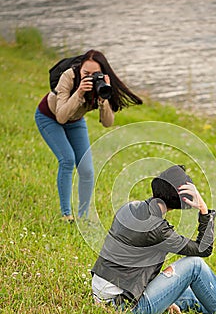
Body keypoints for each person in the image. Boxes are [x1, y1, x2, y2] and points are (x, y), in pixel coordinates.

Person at [91, 165, 216, 314]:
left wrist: (166, 301)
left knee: (191, 290)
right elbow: (203, 249)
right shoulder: (156, 228)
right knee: (194, 266)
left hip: (107, 296)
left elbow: (133, 261)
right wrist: (204, 211)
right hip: (125, 307)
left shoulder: (131, 207)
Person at [35, 49, 143, 222]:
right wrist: (78, 93)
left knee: (86, 169)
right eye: (86, 73)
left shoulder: (102, 84)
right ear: (79, 69)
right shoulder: (69, 77)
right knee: (67, 159)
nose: (90, 78)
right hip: (49, 117)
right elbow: (61, 117)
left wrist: (103, 101)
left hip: (76, 121)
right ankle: (66, 215)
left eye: (95, 74)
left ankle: (83, 217)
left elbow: (108, 123)